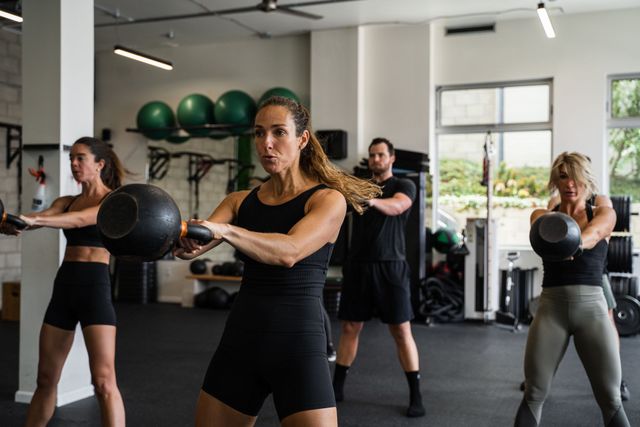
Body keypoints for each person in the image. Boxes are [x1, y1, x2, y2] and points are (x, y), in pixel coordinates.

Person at [175, 96, 380, 427]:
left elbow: (290, 251)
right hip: (241, 339)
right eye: (258, 133)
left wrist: (226, 230)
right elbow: (195, 245)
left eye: (278, 132)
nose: (266, 144)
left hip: (297, 343)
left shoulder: (327, 200)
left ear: (302, 139)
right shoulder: (239, 200)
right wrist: (176, 236)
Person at [0, 137, 126, 427]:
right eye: (72, 158)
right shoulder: (65, 202)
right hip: (65, 289)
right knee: (45, 378)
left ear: (100, 164)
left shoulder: (113, 202)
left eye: (81, 158)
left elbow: (79, 221)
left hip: (95, 290)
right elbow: (38, 217)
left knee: (104, 381)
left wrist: (34, 222)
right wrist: (11, 221)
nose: (74, 164)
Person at [515, 152, 629, 427]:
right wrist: (557, 227)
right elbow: (539, 227)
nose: (570, 184)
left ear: (586, 179)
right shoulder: (543, 216)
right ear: (556, 180)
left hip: (593, 311)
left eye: (576, 177)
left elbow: (596, 233)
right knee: (533, 394)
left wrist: (574, 244)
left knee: (611, 398)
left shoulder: (603, 212)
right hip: (551, 310)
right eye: (563, 177)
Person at [332, 137, 425, 418]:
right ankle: (337, 387)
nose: (375, 159)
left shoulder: (403, 185)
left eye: (381, 155)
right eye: (372, 155)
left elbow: (398, 206)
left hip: (391, 267)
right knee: (350, 328)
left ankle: (415, 394)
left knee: (401, 331)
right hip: (358, 266)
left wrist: (370, 200)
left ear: (392, 158)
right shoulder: (359, 185)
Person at [545, 192, 630, 401]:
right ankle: (539, 377)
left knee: (608, 320)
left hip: (595, 274)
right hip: (563, 275)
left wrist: (576, 243)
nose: (572, 181)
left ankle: (617, 380)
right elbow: (550, 229)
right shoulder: (556, 202)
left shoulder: (600, 202)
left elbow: (599, 229)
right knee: (548, 324)